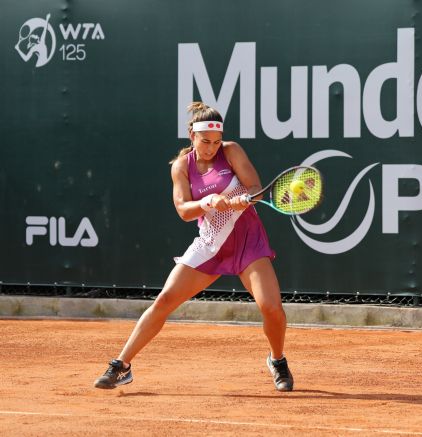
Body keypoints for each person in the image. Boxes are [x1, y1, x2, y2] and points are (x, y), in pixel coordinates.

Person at [94, 102, 293, 391]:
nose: (212, 148)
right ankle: (121, 365)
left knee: (271, 308)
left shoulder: (232, 151)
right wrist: (207, 202)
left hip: (248, 241)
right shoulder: (181, 167)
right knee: (164, 300)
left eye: (215, 142)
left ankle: (277, 360)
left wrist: (243, 198)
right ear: (192, 136)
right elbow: (183, 210)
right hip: (210, 243)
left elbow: (255, 188)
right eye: (205, 142)